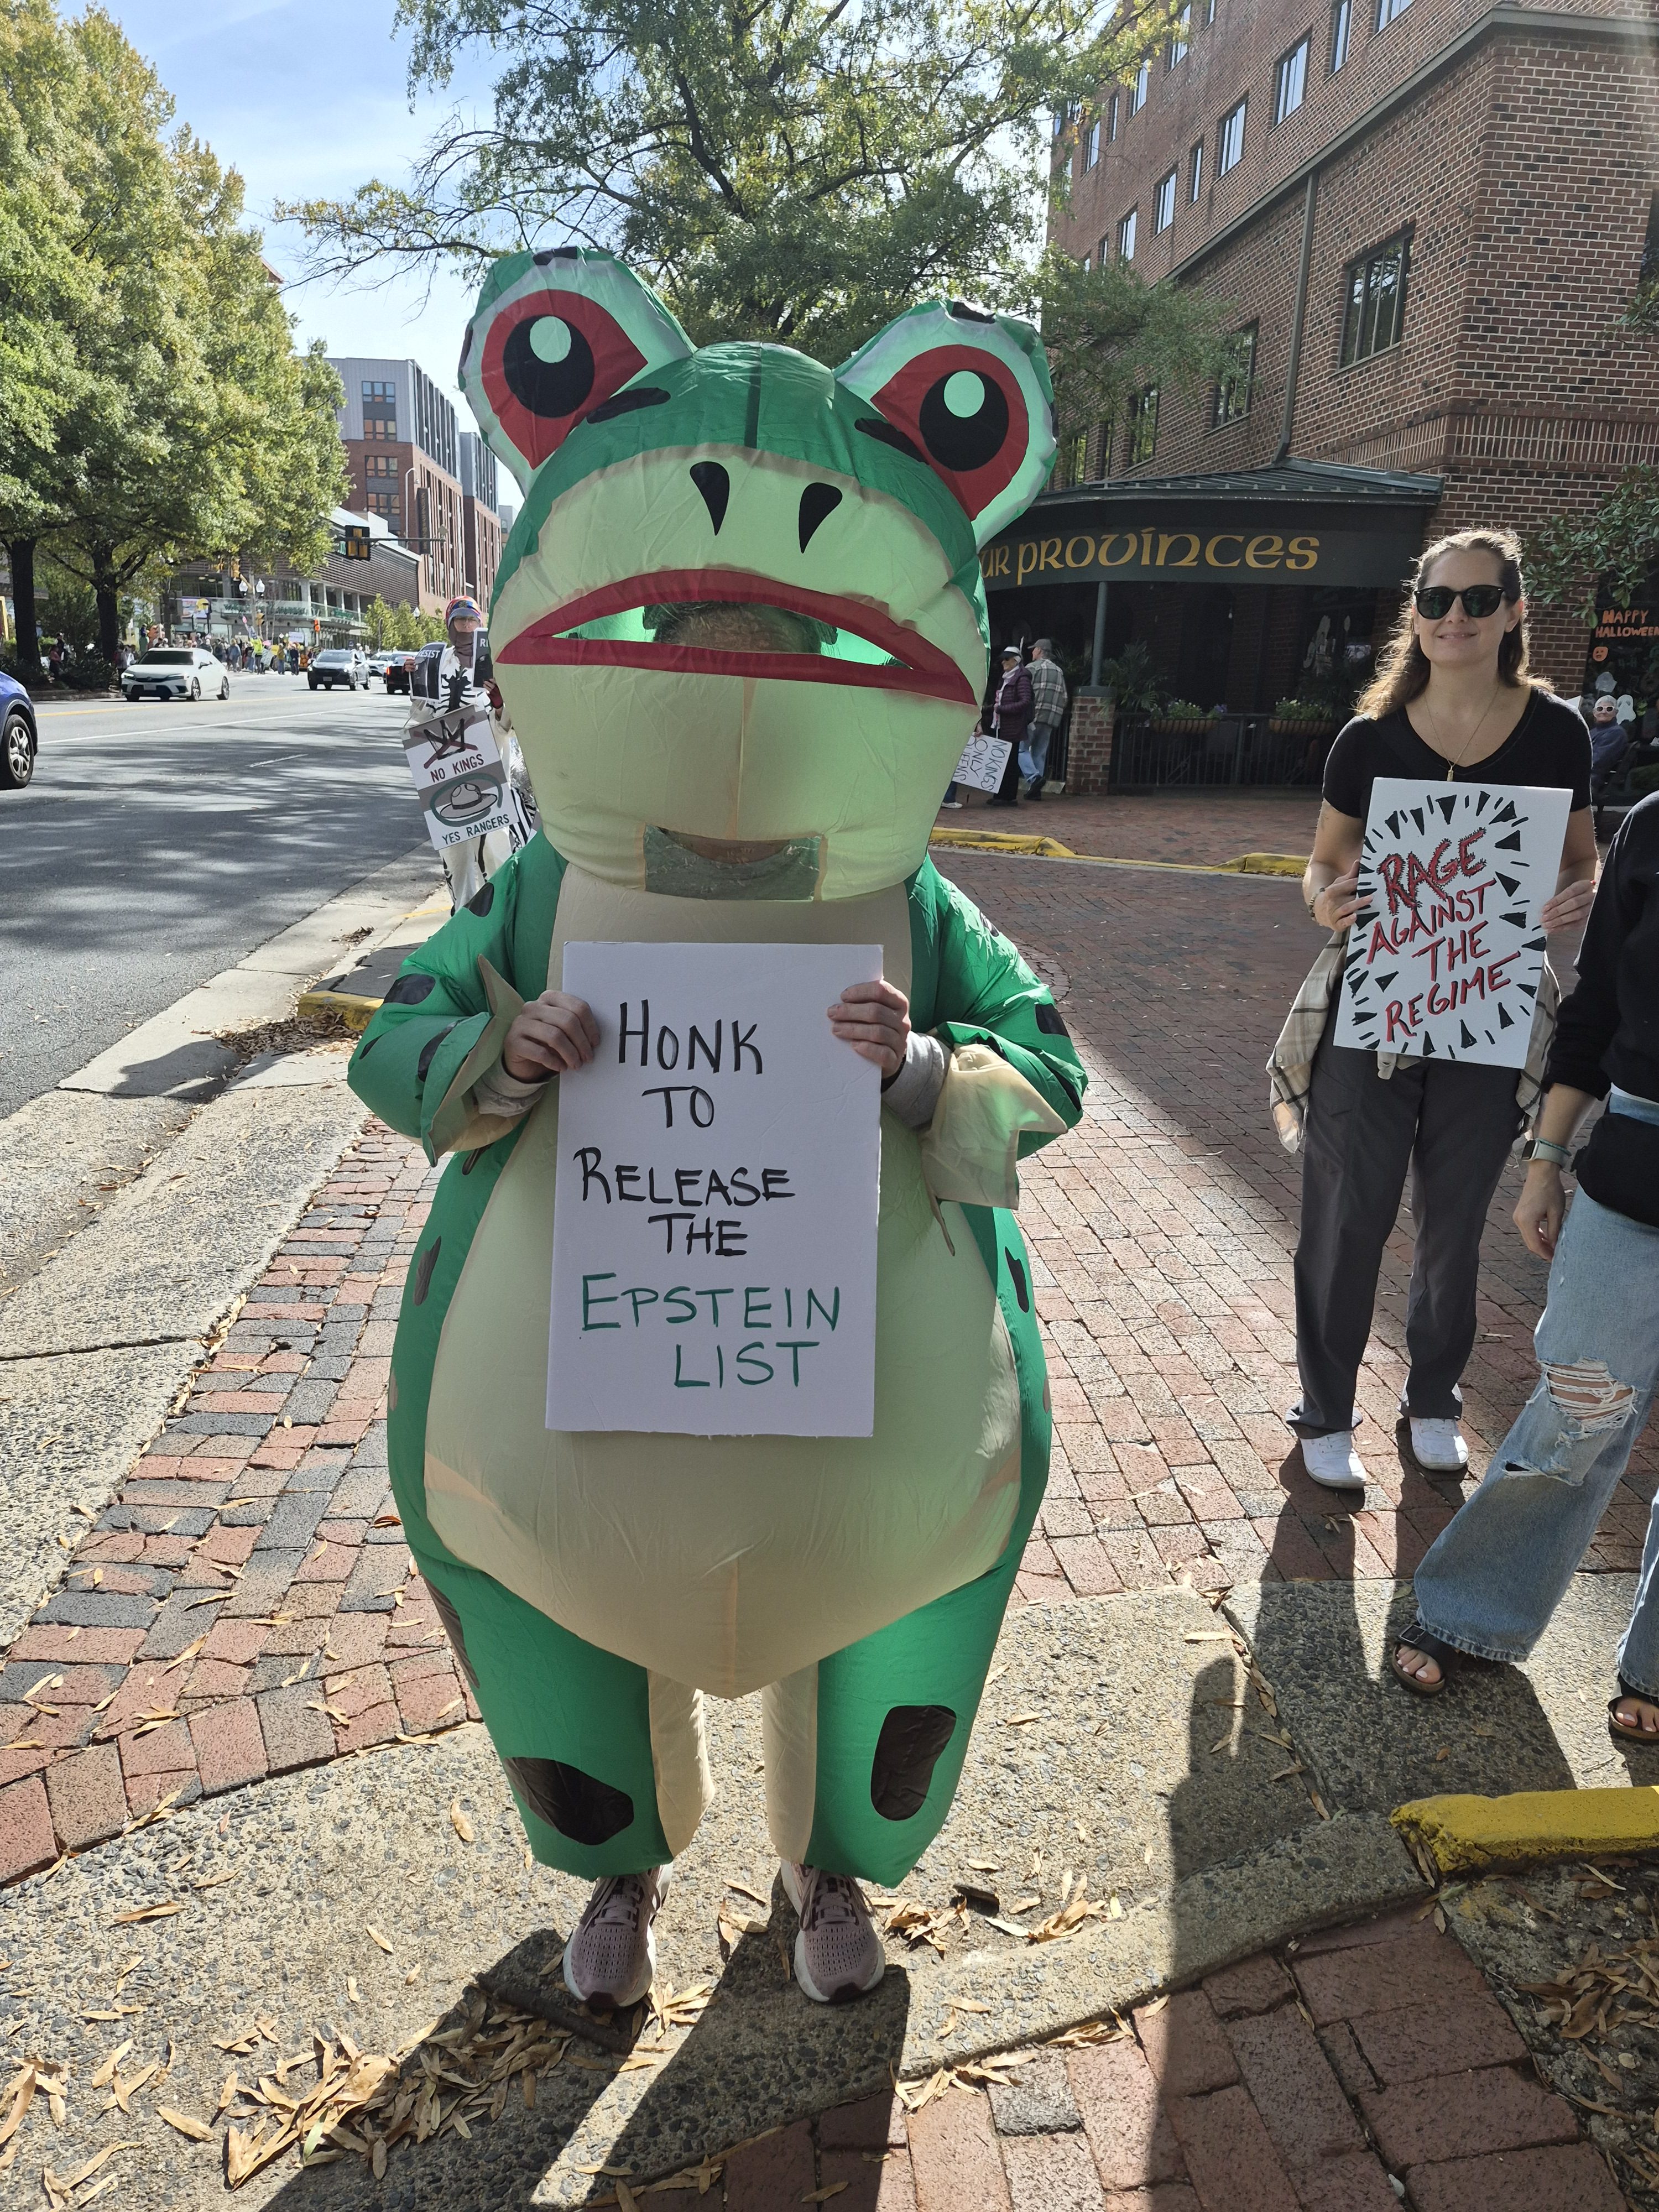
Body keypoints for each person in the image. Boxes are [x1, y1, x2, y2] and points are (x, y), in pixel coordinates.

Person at [351, 251, 1082, 2015]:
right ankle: (614, 1872)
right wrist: (497, 1057)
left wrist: (922, 1075)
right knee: (555, 1628)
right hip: (578, 1401)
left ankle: (832, 1864)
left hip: (870, 1425)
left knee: (888, 1624)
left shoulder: (911, 907)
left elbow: (1042, 1062)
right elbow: (398, 1039)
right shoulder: (540, 890)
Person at [1290, 526, 1597, 1489]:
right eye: (1435, 601)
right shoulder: (1368, 738)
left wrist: (1579, 892)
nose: (1453, 617)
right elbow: (1322, 863)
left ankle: (1434, 1398)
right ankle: (1326, 1408)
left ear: (1513, 613)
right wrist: (1323, 899)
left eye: (1476, 600)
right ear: (1413, 618)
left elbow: (1580, 861)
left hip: (1487, 1008)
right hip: (1373, 1004)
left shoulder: (1557, 734)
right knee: (1346, 1215)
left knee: (1456, 1218)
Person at [1392, 791, 1659, 1713]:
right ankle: (1473, 1610)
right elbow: (1595, 1014)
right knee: (1579, 1409)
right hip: (1637, 1163)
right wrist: (1545, 1161)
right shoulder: (1652, 829)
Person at [406, 594, 539, 910]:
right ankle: (462, 922)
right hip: (446, 773)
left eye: (472, 621)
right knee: (457, 857)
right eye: (460, 621)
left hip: (491, 767)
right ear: (450, 625)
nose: (466, 627)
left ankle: (502, 919)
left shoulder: (497, 663)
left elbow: (512, 725)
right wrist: (414, 680)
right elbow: (422, 720)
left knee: (497, 850)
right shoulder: (435, 661)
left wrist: (498, 703)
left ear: (481, 625)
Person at [984, 645, 1032, 806]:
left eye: (1007, 658)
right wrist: (990, 709)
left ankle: (1008, 796)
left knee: (1010, 763)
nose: (1003, 661)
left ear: (1016, 660)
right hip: (1002, 725)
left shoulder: (1021, 678)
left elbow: (1025, 702)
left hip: (1012, 727)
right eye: (1003, 659)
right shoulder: (1007, 677)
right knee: (1002, 760)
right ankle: (1000, 795)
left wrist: (1002, 709)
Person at [1021, 638, 1068, 799]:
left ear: (1040, 650)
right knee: (1039, 754)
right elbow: (1064, 697)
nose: (1032, 652)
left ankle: (1034, 779)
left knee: (1021, 750)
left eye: (1034, 649)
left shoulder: (1031, 668)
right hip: (1050, 719)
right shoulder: (1059, 671)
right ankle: (1035, 792)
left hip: (1032, 716)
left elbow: (1025, 693)